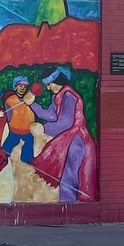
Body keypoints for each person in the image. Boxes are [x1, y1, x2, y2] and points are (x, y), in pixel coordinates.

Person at [25, 66, 97, 202]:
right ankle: (68, 206)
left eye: (49, 84)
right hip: (68, 140)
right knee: (67, 176)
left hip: (77, 142)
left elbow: (65, 123)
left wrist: (43, 128)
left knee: (70, 177)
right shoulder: (58, 96)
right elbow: (51, 115)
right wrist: (33, 104)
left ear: (56, 80)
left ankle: (69, 208)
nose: (48, 88)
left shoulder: (69, 96)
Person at [1, 76, 36, 163]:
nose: (22, 88)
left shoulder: (28, 99)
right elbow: (8, 114)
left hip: (27, 130)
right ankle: (3, 157)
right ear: (15, 86)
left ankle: (27, 159)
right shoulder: (11, 99)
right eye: (20, 86)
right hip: (14, 129)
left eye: (24, 87)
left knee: (29, 142)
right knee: (11, 141)